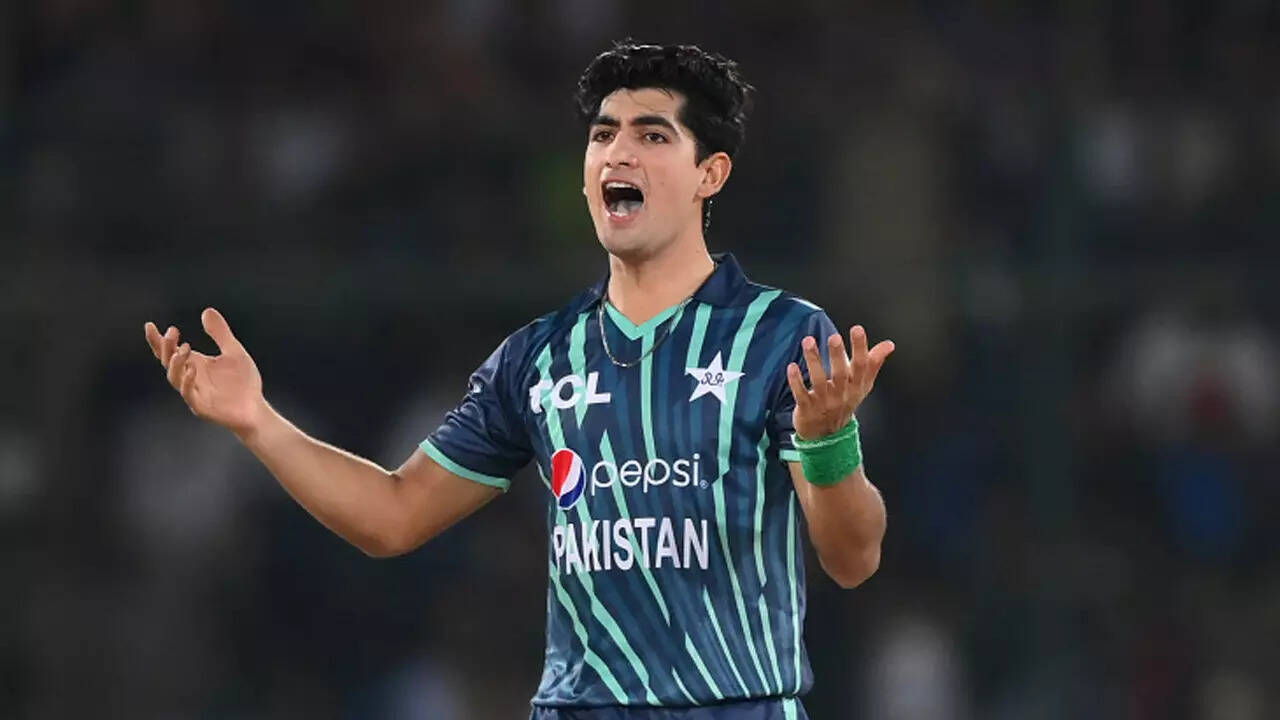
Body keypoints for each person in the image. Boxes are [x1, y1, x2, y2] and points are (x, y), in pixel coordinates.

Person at [143, 41, 894, 720]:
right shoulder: (537, 358)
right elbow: (392, 515)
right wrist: (258, 421)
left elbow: (853, 559)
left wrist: (829, 444)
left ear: (711, 173)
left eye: (652, 135)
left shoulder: (781, 336)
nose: (618, 153)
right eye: (603, 135)